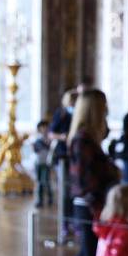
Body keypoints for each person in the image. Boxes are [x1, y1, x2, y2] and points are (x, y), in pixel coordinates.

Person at [43, 88, 119, 256]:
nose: (107, 110)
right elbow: (88, 180)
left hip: (92, 205)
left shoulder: (88, 137)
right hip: (89, 207)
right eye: (103, 106)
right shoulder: (82, 140)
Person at [50, 89, 77, 238]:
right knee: (66, 191)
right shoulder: (61, 114)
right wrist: (63, 136)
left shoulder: (78, 114)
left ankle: (75, 221)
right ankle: (65, 223)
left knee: (75, 190)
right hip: (62, 157)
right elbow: (51, 133)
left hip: (75, 156)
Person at [32, 119, 53, 207]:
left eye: (45, 127)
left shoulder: (50, 138)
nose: (44, 129)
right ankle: (40, 200)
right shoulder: (37, 139)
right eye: (42, 128)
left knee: (46, 181)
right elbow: (35, 151)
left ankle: (50, 199)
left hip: (46, 163)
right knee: (39, 182)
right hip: (39, 162)